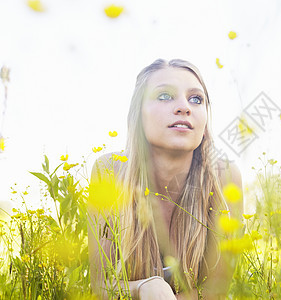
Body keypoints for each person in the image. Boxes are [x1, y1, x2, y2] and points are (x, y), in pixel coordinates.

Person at [87, 58, 243, 300]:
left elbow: (216, 291)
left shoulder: (224, 177)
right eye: (164, 96)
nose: (184, 107)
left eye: (196, 99)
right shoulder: (109, 172)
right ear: (138, 113)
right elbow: (100, 285)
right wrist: (144, 288)